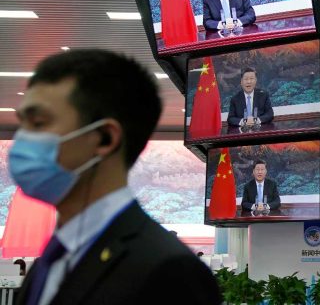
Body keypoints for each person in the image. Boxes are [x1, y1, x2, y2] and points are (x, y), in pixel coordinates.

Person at [9, 49, 220, 305]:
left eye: (39, 123)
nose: (21, 140)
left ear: (105, 138)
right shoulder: (53, 258)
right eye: (23, 124)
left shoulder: (168, 271)